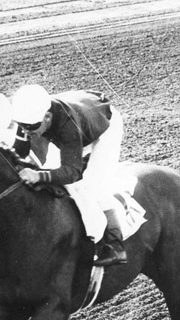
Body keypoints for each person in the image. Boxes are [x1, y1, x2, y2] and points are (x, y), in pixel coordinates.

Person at [9, 83, 129, 267]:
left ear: (47, 117)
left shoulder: (68, 126)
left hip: (104, 128)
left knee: (93, 186)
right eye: (22, 127)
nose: (26, 132)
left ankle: (115, 245)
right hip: (82, 111)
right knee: (50, 169)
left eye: (31, 128)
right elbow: (18, 152)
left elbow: (72, 172)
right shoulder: (27, 118)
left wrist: (38, 176)